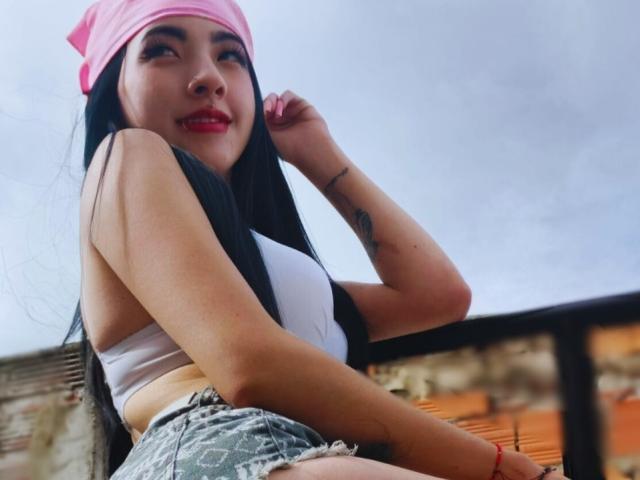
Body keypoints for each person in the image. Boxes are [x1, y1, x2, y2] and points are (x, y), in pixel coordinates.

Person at [62, 0, 569, 479]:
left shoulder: (271, 270)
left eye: (230, 56)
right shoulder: (124, 157)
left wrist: (316, 153)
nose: (209, 77)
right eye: (162, 50)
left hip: (304, 450)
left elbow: (438, 295)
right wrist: (502, 468)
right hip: (211, 447)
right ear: (113, 90)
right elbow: (251, 365)